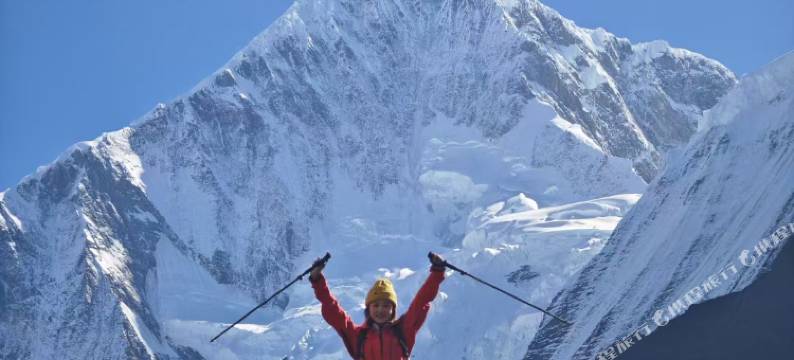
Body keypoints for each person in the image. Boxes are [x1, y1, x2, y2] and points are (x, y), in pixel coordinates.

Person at [309, 253, 447, 359]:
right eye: (376, 305)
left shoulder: (403, 329)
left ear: (393, 309)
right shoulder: (358, 336)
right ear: (368, 308)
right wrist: (317, 280)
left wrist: (437, 272)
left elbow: (421, 301)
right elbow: (333, 310)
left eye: (386, 305)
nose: (381, 310)